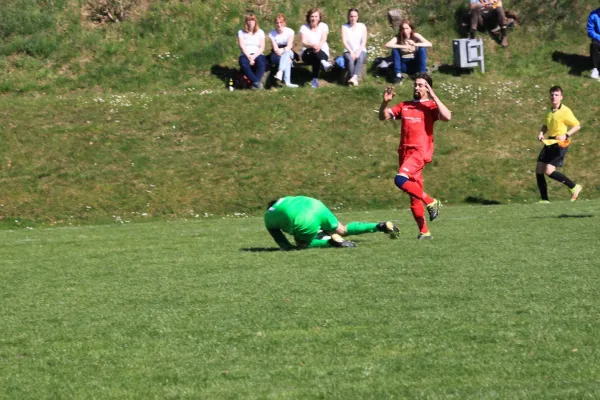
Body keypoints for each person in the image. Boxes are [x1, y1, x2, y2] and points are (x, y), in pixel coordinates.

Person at [378, 73, 452, 240]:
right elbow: (382, 116)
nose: (416, 87)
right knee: (413, 194)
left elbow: (447, 116)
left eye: (420, 85)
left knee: (399, 179)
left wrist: (434, 96)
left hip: (419, 152)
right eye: (416, 85)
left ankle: (431, 201)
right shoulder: (405, 105)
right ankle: (424, 232)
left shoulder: (430, 107)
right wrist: (385, 102)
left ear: (427, 88)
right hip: (404, 152)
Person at [264, 196, 400, 250]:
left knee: (302, 244)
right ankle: (380, 226)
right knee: (343, 229)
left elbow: (279, 238)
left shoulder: (268, 217)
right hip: (316, 205)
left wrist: (288, 247)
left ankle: (333, 242)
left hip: (303, 217)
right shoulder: (284, 199)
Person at [535, 86, 582, 203]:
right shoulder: (548, 111)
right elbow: (545, 125)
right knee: (539, 169)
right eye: (552, 95)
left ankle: (574, 187)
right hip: (549, 142)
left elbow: (577, 125)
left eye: (556, 95)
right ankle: (544, 200)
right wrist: (541, 133)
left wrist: (566, 135)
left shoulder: (565, 111)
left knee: (549, 171)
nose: (553, 97)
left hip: (560, 144)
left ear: (561, 97)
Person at [385, 20, 432, 84]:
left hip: (414, 63)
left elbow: (429, 44)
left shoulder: (415, 35)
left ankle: (422, 74)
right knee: (394, 50)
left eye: (407, 28)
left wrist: (415, 44)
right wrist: (403, 46)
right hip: (403, 64)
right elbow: (387, 45)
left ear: (411, 29)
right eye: (403, 29)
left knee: (422, 49)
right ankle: (398, 75)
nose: (405, 31)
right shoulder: (398, 37)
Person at [300, 8, 333, 89]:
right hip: (307, 53)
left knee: (317, 56)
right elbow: (303, 42)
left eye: (316, 16)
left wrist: (318, 45)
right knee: (314, 53)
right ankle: (324, 63)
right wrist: (312, 46)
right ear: (309, 17)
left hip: (322, 51)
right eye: (312, 16)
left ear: (319, 18)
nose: (314, 18)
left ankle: (315, 80)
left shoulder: (324, 26)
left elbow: (324, 39)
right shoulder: (304, 27)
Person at [268, 13, 298, 88]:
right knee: (288, 59)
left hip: (288, 50)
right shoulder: (272, 33)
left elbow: (289, 46)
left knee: (287, 53)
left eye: (281, 22)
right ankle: (287, 82)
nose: (279, 24)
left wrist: (283, 49)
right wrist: (280, 51)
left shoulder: (290, 32)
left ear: (284, 23)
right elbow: (275, 49)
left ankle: (280, 71)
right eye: (277, 23)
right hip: (276, 54)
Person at [237, 13, 267, 90]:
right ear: (246, 22)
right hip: (245, 54)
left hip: (257, 53)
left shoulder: (260, 32)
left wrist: (254, 56)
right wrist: (249, 57)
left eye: (252, 20)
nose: (250, 22)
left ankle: (253, 85)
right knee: (244, 63)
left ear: (255, 21)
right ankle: (257, 82)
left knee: (262, 63)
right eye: (248, 20)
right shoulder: (241, 32)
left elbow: (262, 47)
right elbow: (242, 46)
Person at [341, 8, 368, 86]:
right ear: (348, 17)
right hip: (348, 50)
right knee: (350, 59)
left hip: (361, 50)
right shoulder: (344, 27)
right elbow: (344, 41)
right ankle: (354, 79)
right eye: (351, 16)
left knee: (359, 58)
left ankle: (353, 78)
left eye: (355, 16)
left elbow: (364, 41)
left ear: (358, 17)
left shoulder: (362, 26)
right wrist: (351, 52)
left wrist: (358, 51)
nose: (353, 18)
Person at [587, 4, 600, 80]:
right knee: (595, 44)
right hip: (598, 39)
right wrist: (599, 37)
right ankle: (596, 68)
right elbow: (590, 30)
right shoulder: (593, 15)